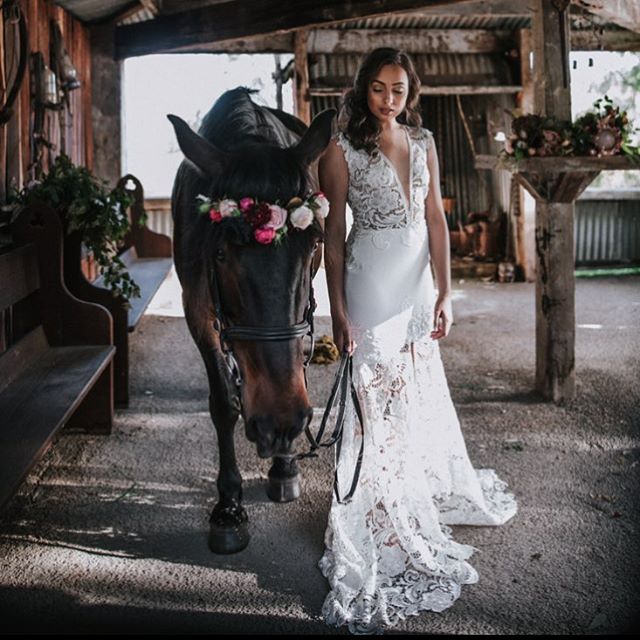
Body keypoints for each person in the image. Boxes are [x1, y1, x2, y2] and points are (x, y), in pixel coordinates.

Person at [317, 47, 518, 634]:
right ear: (364, 90)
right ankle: (374, 508)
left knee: (411, 389)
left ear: (412, 91)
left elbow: (435, 221)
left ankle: (406, 486)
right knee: (373, 394)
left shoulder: (426, 141)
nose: (389, 98)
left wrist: (446, 294)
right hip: (369, 282)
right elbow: (333, 234)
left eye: (398, 88)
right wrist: (337, 311)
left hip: (416, 285)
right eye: (378, 88)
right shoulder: (342, 147)